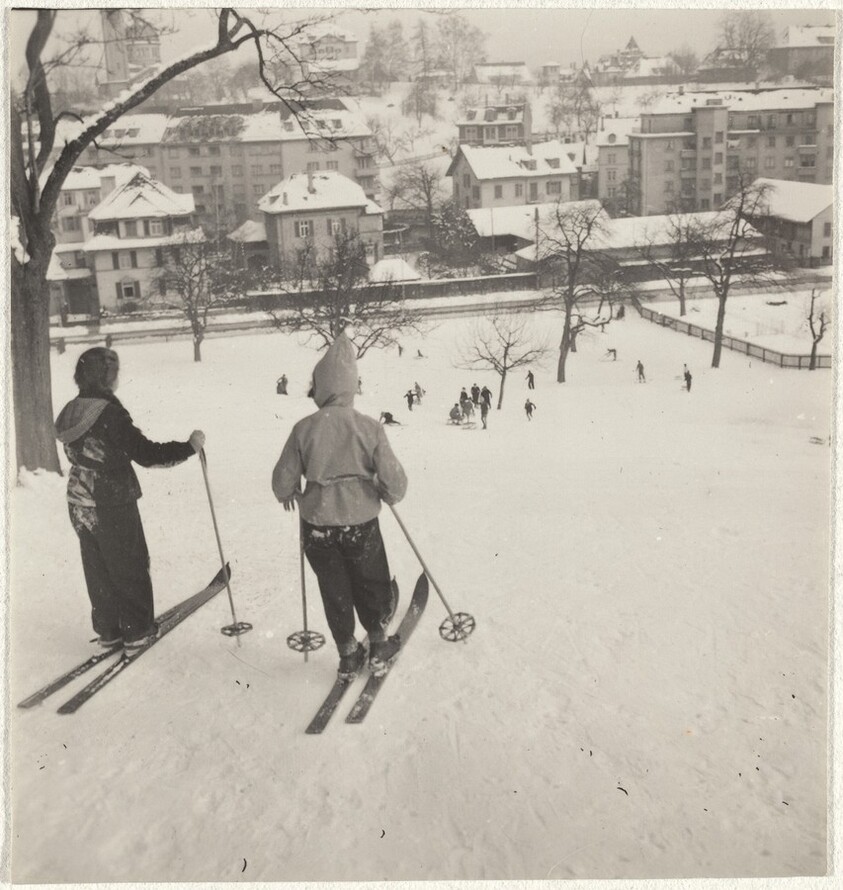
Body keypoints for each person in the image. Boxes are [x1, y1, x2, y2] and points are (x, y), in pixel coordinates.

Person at [272, 333, 407, 680]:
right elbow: (395, 480)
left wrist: (291, 493)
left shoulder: (303, 428)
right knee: (370, 581)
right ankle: (378, 645)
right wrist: (386, 492)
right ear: (349, 386)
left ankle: (347, 652)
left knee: (334, 587)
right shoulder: (369, 427)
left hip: (317, 524)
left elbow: (282, 481)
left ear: (320, 387)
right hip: (360, 521)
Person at [54, 347, 205, 650]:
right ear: (106, 376)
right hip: (112, 501)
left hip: (78, 500)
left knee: (97, 567)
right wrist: (189, 447)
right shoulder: (109, 413)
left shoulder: (71, 410)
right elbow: (146, 454)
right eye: (115, 372)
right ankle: (137, 629)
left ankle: (109, 630)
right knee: (128, 564)